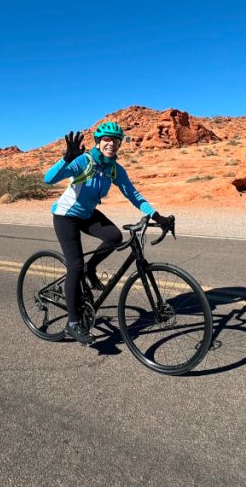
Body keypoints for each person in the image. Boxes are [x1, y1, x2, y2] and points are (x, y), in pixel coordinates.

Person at [43, 121, 174, 345]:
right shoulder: (84, 161)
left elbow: (134, 195)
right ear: (98, 142)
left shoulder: (114, 169)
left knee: (114, 237)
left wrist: (157, 216)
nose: (110, 143)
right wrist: (67, 158)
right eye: (106, 139)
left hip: (87, 214)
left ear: (120, 144)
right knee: (74, 265)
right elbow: (48, 179)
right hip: (66, 216)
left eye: (115, 140)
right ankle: (73, 324)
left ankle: (90, 268)